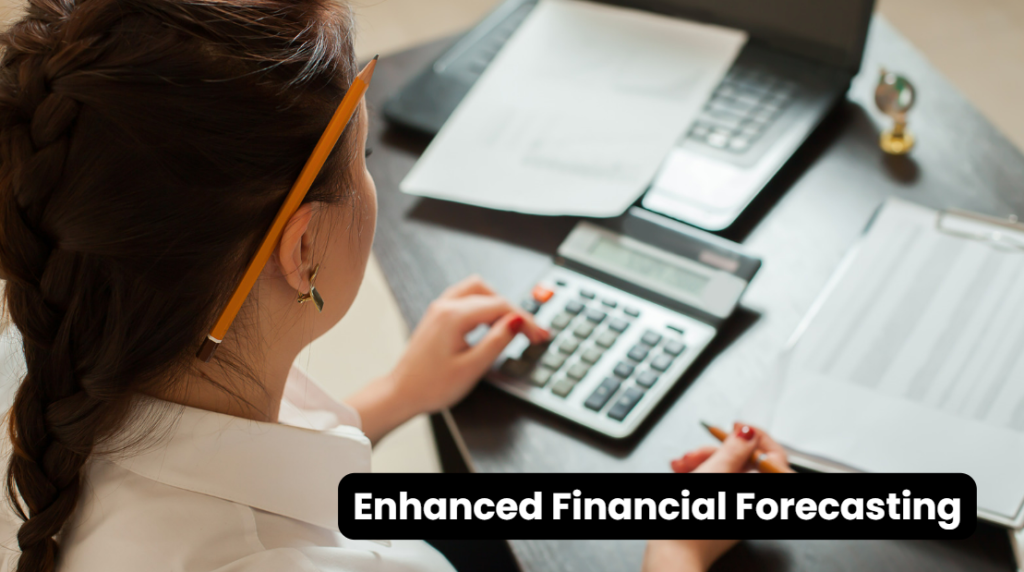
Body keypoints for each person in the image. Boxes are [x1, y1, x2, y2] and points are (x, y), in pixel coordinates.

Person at [0, 1, 791, 571]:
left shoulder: (64, 369)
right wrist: (677, 552)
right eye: (366, 162)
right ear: (302, 247)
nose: (373, 184)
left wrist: (391, 395)